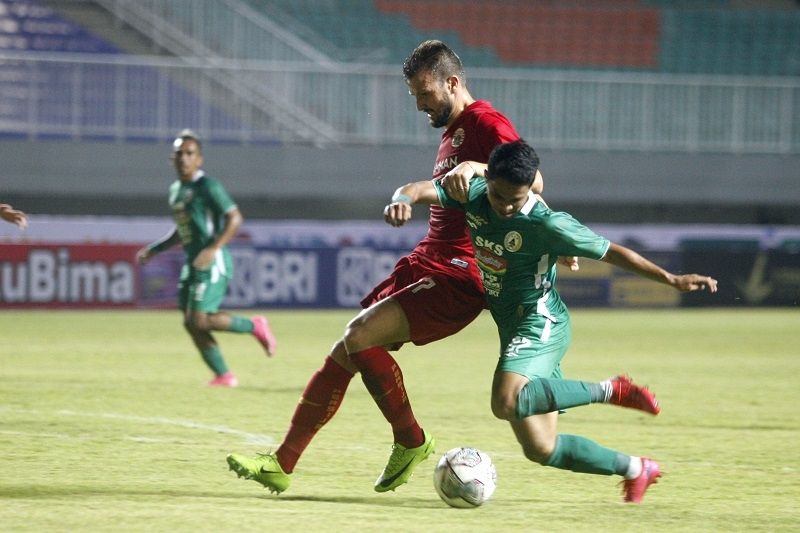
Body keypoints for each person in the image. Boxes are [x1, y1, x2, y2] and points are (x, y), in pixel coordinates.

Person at [226, 40, 537, 494]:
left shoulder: (486, 123)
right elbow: (436, 189)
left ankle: (411, 439)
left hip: (458, 271)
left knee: (358, 337)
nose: (419, 104)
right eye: (414, 95)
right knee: (345, 350)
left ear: (453, 83)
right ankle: (281, 464)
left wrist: (476, 165)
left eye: (425, 93)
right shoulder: (451, 132)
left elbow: (532, 179)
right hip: (428, 260)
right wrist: (404, 195)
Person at [382, 139, 718, 503]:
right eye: (500, 197)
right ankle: (637, 469)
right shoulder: (474, 192)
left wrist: (672, 280)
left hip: (541, 323)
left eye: (517, 198)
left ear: (531, 188)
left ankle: (612, 389)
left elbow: (613, 252)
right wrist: (402, 199)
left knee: (504, 401)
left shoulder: (548, 223)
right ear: (488, 178)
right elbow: (415, 189)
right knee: (541, 448)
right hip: (513, 327)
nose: (508, 207)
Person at [136, 129, 277, 387]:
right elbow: (183, 230)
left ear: (199, 159)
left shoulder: (207, 186)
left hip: (213, 261)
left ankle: (254, 325)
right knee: (191, 323)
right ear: (172, 158)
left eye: (189, 153)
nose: (184, 158)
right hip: (193, 264)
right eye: (179, 153)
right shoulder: (176, 191)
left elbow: (235, 218)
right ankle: (224, 375)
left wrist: (213, 248)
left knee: (200, 319)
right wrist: (155, 249)